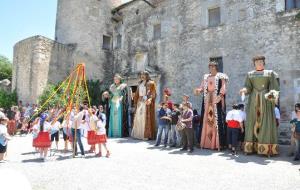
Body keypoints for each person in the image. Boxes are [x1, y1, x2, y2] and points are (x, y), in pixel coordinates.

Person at [240, 55, 280, 156]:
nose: (259, 63)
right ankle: (250, 148)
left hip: (265, 101)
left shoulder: (270, 73)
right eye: (257, 62)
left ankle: (266, 149)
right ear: (254, 64)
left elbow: (274, 87)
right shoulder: (250, 74)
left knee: (265, 122)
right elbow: (248, 87)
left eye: (261, 62)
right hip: (253, 100)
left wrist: (273, 93)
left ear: (264, 63)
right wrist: (244, 90)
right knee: (252, 122)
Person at [195, 61, 228, 150]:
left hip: (216, 99)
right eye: (210, 67)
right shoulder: (206, 77)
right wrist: (199, 90)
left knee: (217, 120)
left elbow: (224, 87)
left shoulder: (221, 76)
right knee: (206, 120)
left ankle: (218, 144)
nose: (212, 68)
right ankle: (206, 143)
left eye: (213, 66)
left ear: (216, 67)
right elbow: (202, 87)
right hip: (207, 100)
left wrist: (220, 95)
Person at [132, 71, 157, 140]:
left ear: (147, 75)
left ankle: (146, 135)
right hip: (140, 102)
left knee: (144, 117)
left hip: (146, 102)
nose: (142, 76)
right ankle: (139, 134)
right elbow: (137, 93)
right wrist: (134, 99)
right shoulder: (139, 83)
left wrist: (150, 99)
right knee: (139, 117)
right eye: (141, 75)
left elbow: (153, 93)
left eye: (144, 75)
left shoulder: (151, 83)